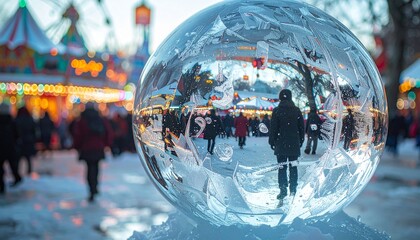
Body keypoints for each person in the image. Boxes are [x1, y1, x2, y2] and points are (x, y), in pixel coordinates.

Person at [269, 89, 304, 205]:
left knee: (282, 168)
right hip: (294, 143)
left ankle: (283, 189)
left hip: (281, 143)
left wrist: (272, 141)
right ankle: (293, 189)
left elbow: (273, 128)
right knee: (293, 167)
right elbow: (301, 128)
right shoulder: (297, 111)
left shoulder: (277, 111)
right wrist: (300, 141)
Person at [73, 103, 112, 202]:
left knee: (89, 168)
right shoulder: (100, 119)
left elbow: (78, 135)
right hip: (98, 147)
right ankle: (95, 187)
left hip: (87, 148)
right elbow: (107, 132)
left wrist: (77, 146)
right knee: (96, 167)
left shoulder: (82, 120)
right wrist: (106, 144)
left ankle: (91, 189)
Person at [0, 104, 22, 194]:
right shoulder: (12, 121)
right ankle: (17, 177)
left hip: (1, 147)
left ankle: (1, 186)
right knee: (13, 165)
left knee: (1, 168)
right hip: (10, 147)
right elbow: (17, 134)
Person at [15, 106, 37, 175]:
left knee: (18, 158)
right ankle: (29, 171)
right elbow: (34, 130)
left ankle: (17, 171)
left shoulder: (17, 120)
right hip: (28, 141)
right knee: (28, 158)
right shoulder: (30, 119)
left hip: (20, 141)